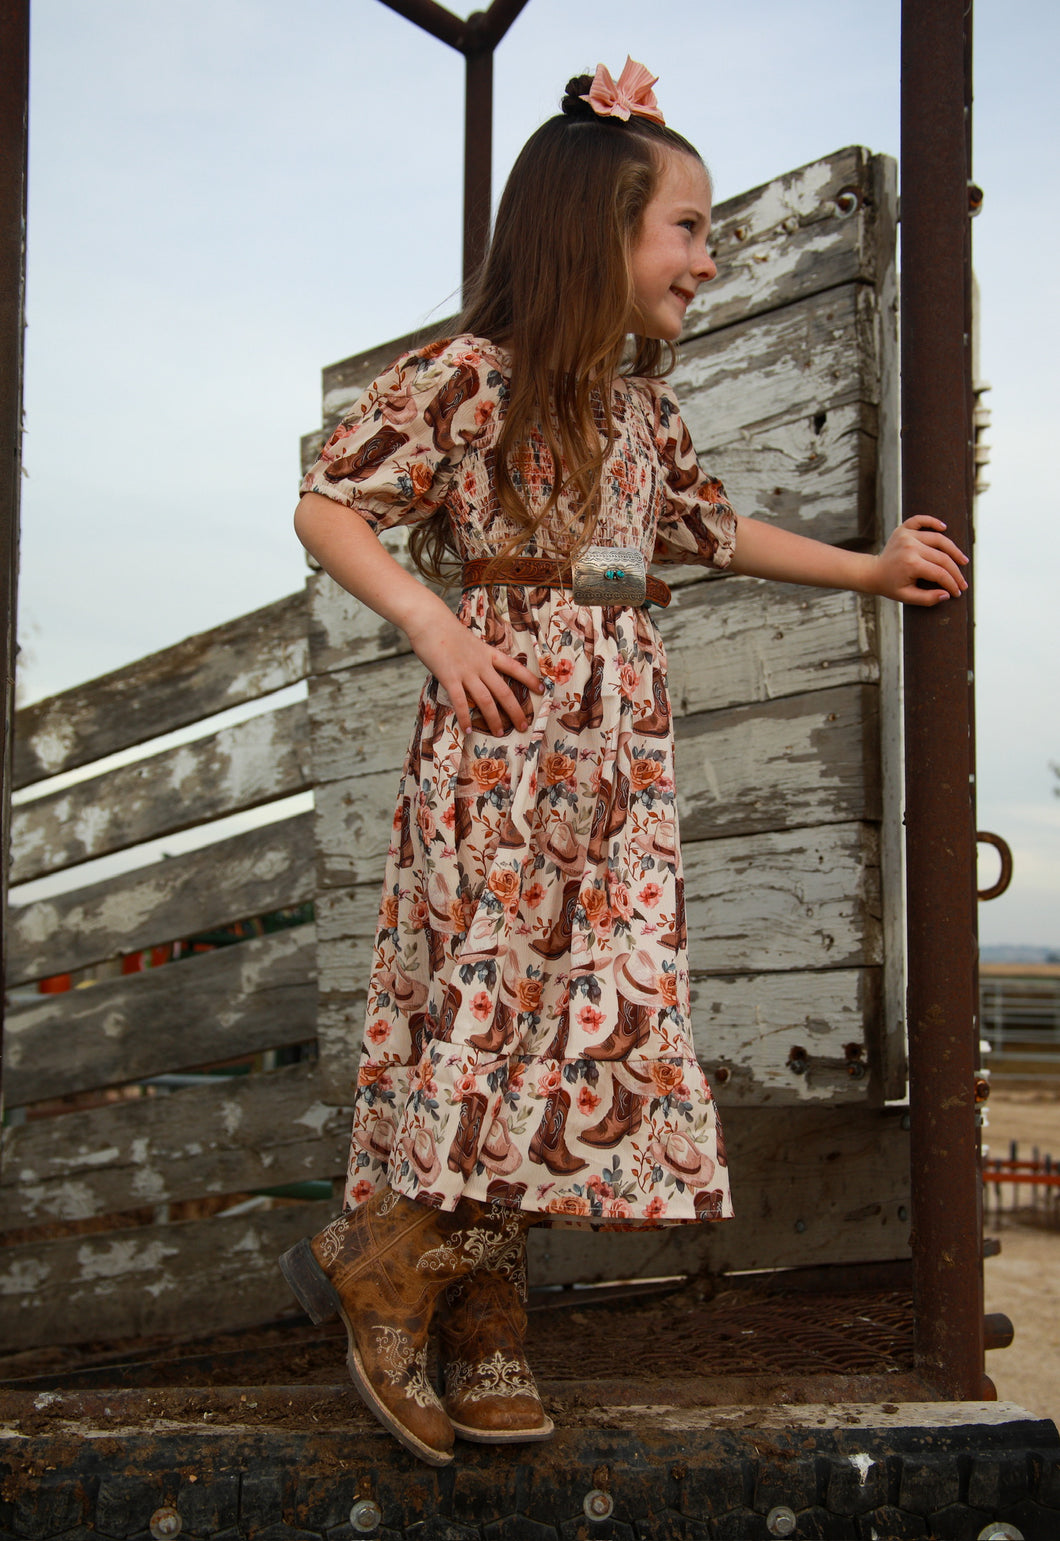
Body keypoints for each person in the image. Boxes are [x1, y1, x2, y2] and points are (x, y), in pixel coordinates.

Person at [280, 58, 968, 1467]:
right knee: (496, 1021)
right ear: (598, 233)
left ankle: (472, 1303)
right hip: (503, 758)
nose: (710, 261)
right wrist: (430, 622)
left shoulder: (645, 414)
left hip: (616, 767)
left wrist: (866, 567)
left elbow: (711, 533)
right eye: (690, 228)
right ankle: (398, 1269)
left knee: (585, 1021)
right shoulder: (476, 377)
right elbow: (330, 500)